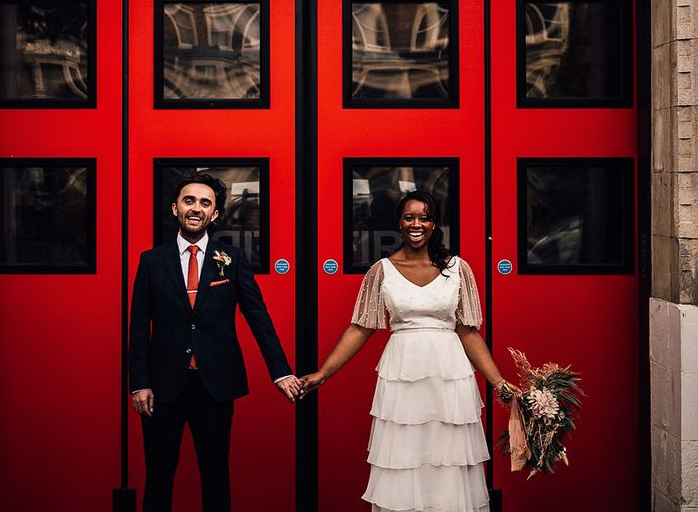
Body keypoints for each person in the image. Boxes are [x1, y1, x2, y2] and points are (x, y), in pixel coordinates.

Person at [300, 190, 513, 512]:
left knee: (449, 455)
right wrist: (323, 373)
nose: (417, 224)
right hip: (402, 375)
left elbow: (468, 331)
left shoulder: (458, 268)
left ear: (434, 224)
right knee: (404, 455)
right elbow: (361, 327)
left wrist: (500, 383)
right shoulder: (381, 270)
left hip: (450, 374)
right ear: (399, 224)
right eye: (409, 217)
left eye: (424, 217)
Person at [129, 173, 300, 512]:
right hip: (162, 389)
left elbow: (259, 318)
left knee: (216, 476)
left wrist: (281, 372)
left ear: (215, 214)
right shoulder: (151, 261)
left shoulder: (232, 259)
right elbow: (137, 327)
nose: (196, 208)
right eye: (189, 201)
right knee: (159, 477)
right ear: (175, 208)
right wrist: (139, 384)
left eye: (205, 203)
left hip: (215, 387)